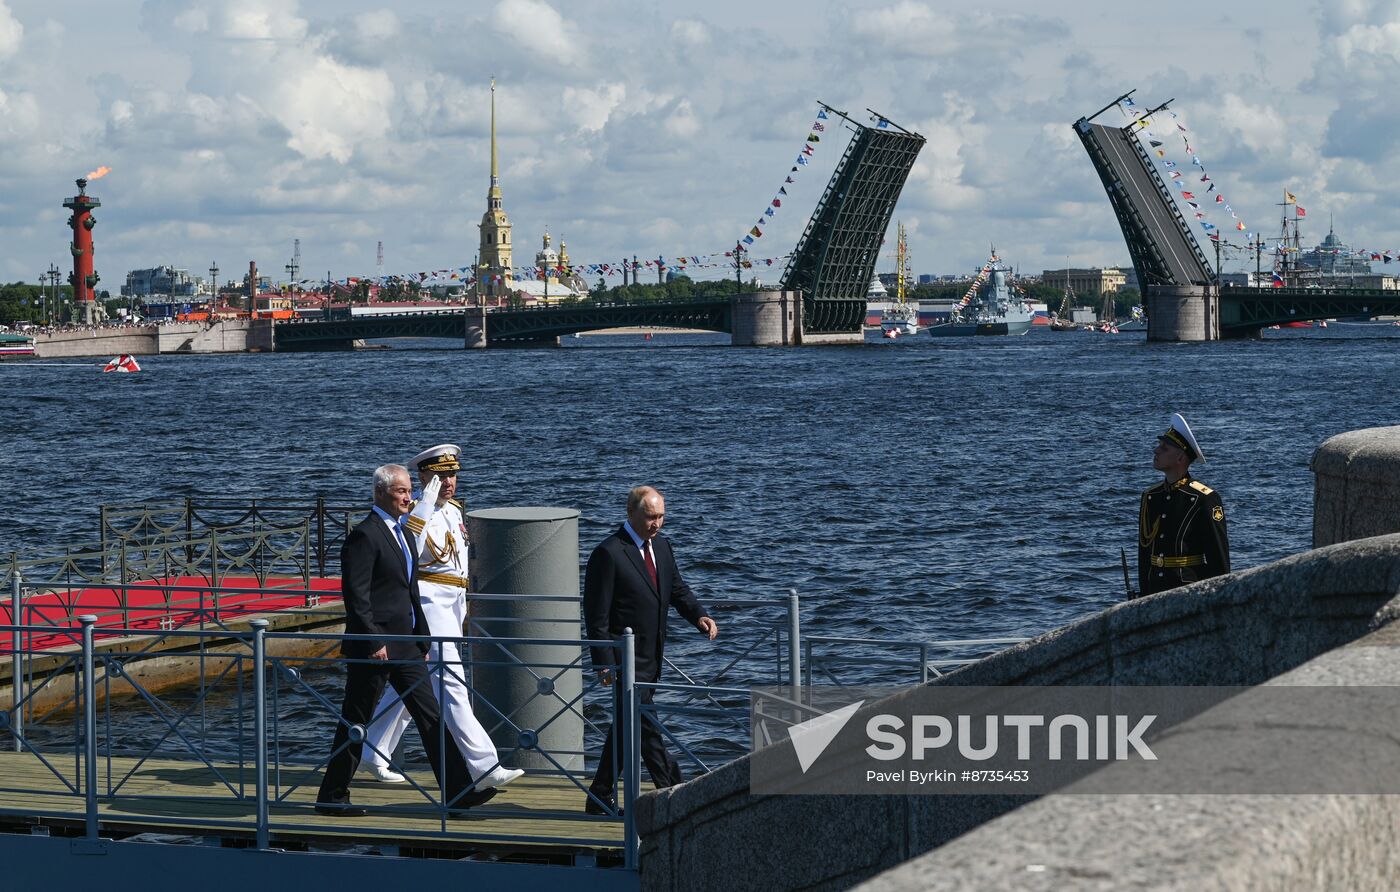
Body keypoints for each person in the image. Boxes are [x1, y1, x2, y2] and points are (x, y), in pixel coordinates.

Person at [315, 464, 498, 817]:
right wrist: (373, 640)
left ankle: (458, 793)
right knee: (355, 721)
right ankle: (332, 795)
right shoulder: (365, 536)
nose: (409, 497)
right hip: (376, 649)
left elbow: (410, 591)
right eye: (401, 491)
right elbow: (356, 596)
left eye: (409, 490)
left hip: (407, 645)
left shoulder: (401, 532)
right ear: (381, 492)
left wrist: (423, 638)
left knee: (430, 717)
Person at [358, 444, 523, 792]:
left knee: (416, 684)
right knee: (452, 683)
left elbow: (458, 565)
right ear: (423, 477)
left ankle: (373, 749)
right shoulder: (413, 511)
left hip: (453, 603)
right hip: (429, 605)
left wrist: (464, 606)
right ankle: (484, 765)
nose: (448, 482)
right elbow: (406, 550)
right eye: (440, 476)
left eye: (452, 475)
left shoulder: (454, 512)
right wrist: (424, 506)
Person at [582, 486, 718, 815]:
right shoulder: (610, 552)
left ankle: (599, 797)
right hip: (623, 659)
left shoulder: (662, 546)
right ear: (631, 514)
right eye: (650, 517)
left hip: (652, 655)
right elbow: (596, 614)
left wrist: (698, 615)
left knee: (627, 727)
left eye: (661, 517)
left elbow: (676, 589)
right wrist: (603, 663)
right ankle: (675, 792)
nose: (657, 523)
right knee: (645, 727)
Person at [1137, 413, 1230, 598]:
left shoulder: (1205, 499)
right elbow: (1145, 556)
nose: (1156, 451)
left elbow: (1218, 561)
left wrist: (1219, 599)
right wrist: (1144, 594)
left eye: (1164, 448)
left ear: (1180, 458)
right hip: (1154, 591)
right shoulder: (1150, 496)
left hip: (1189, 591)